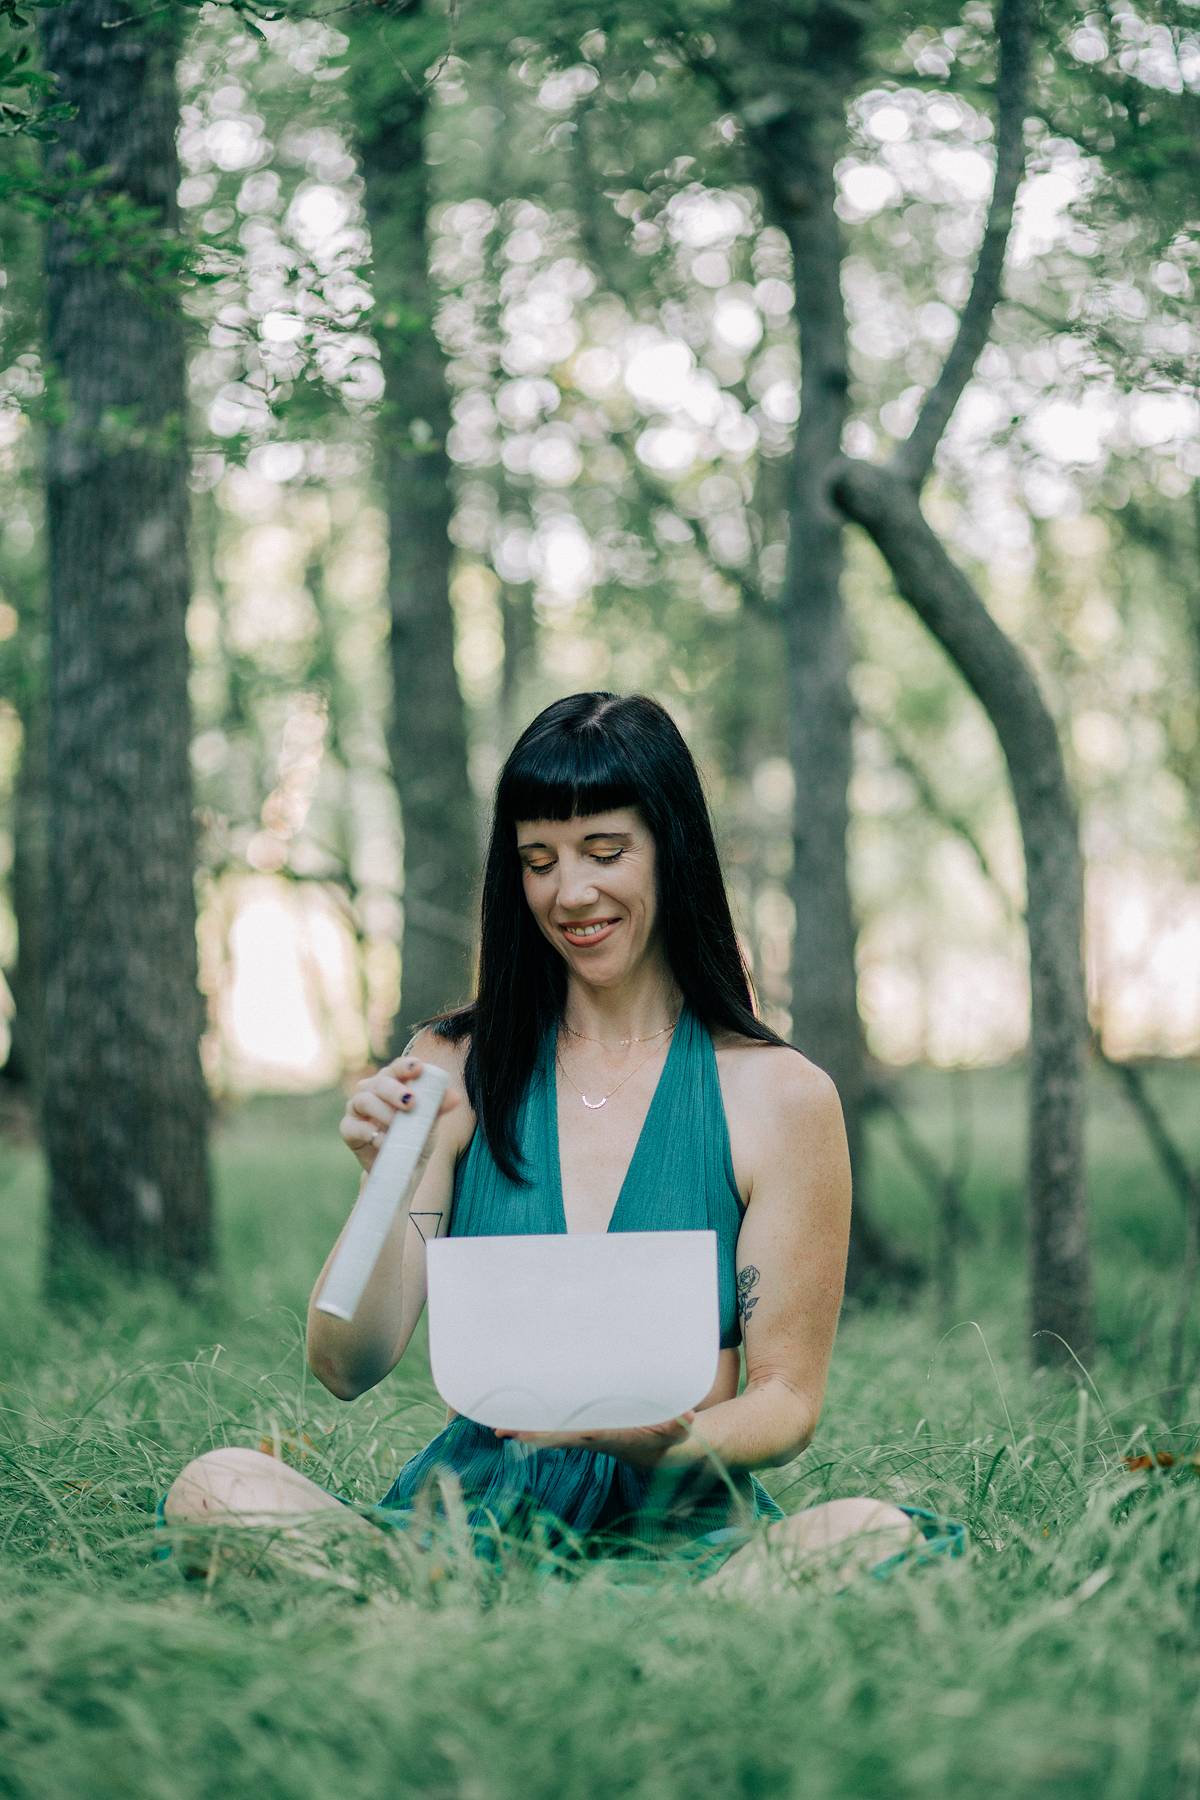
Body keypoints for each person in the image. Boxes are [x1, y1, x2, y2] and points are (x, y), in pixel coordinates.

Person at [157, 692, 966, 1594]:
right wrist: (390, 1176)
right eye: (538, 861)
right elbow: (344, 1367)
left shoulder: (781, 1096)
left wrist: (672, 1440)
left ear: (674, 849)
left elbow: (786, 1401)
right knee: (215, 1484)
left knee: (868, 1533)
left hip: (680, 1529)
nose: (569, 893)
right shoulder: (453, 1065)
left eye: (605, 852)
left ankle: (508, 1637)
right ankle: (461, 1617)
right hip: (465, 1526)